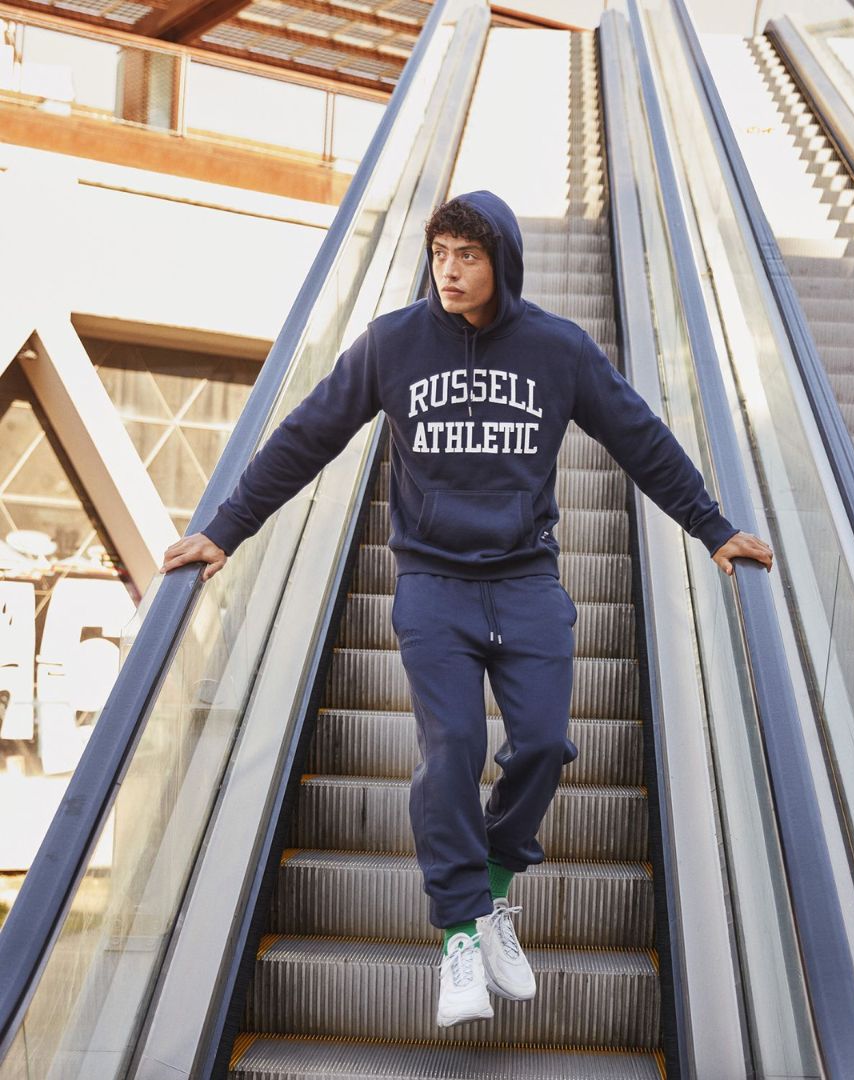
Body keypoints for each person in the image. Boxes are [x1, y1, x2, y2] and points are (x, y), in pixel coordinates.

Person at [162, 190, 773, 1028]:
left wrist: (713, 528)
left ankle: (490, 893)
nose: (448, 271)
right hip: (432, 583)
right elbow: (309, 435)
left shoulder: (558, 350)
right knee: (452, 747)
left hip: (525, 582)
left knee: (545, 744)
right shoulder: (393, 342)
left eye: (468, 257)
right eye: (440, 254)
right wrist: (226, 529)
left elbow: (640, 438)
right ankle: (457, 934)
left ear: (502, 263)